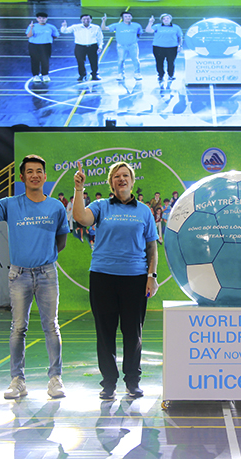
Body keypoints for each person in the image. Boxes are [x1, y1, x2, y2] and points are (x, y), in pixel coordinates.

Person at [0, 154, 70, 399]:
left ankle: (55, 379)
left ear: (45, 177)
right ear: (22, 176)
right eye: (30, 171)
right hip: (19, 275)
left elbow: (61, 240)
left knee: (51, 327)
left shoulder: (56, 206)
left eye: (39, 171)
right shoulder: (10, 204)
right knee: (18, 329)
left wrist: (44, 257)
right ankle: (18, 380)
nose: (35, 175)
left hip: (47, 274)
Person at [72, 161, 159, 400]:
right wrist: (79, 189)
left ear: (132, 181)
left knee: (133, 333)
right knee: (105, 332)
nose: (121, 179)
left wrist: (151, 276)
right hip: (103, 278)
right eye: (117, 177)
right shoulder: (101, 206)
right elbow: (81, 218)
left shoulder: (144, 211)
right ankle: (108, 383)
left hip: (135, 279)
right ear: (111, 183)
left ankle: (133, 381)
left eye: (125, 175)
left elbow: (152, 247)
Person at [102, 11, 144, 81]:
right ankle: (120, 74)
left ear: (131, 17)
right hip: (121, 46)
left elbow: (139, 33)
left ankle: (137, 73)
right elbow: (104, 28)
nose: (128, 18)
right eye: (126, 16)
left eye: (129, 16)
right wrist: (103, 21)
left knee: (136, 59)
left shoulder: (137, 25)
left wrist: (134, 40)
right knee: (121, 60)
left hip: (133, 46)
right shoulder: (117, 25)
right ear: (122, 18)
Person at [61, 14, 104, 82]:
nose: (86, 20)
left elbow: (100, 37)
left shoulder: (96, 27)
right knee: (80, 62)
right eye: (84, 19)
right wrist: (64, 26)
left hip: (92, 46)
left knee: (94, 61)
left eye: (88, 19)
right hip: (80, 46)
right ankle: (82, 75)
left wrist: (100, 46)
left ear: (91, 20)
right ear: (81, 20)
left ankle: (94, 74)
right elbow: (65, 31)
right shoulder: (75, 27)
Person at [145, 14, 183, 82]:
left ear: (170, 19)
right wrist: (150, 22)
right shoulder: (157, 26)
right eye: (164, 19)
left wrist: (179, 46)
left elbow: (180, 37)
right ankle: (160, 75)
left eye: (167, 18)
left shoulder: (176, 27)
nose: (166, 20)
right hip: (158, 48)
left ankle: (171, 75)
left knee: (171, 62)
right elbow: (148, 30)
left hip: (172, 48)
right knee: (159, 62)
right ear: (162, 20)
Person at [26, 12, 59, 84]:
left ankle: (45, 75)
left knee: (45, 60)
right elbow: (29, 35)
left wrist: (47, 39)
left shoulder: (51, 27)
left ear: (46, 19)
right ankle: (35, 75)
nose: (41, 20)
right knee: (35, 61)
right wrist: (31, 28)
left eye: (43, 18)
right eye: (40, 18)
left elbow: (55, 35)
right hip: (34, 45)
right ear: (37, 19)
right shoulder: (32, 26)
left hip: (46, 46)